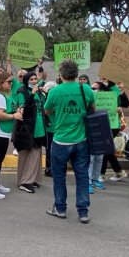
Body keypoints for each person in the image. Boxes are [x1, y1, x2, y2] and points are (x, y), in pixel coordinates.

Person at [44, 60, 94, 224]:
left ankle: (60, 208)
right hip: (81, 140)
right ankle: (83, 211)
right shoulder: (85, 88)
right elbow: (92, 109)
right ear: (76, 74)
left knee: (59, 176)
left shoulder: (55, 91)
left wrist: (56, 117)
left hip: (60, 140)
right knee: (82, 176)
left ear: (60, 74)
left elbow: (47, 110)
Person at [0, 72, 23, 200]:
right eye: (8, 82)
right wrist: (14, 116)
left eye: (11, 81)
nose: (11, 84)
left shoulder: (7, 96)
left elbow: (8, 111)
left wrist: (16, 112)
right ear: (1, 83)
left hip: (3, 132)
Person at [14, 71, 47, 193]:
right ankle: (25, 181)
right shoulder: (21, 91)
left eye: (35, 79)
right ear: (26, 80)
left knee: (36, 152)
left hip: (39, 126)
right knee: (26, 153)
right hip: (27, 127)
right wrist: (32, 94)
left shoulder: (39, 91)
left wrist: (45, 92)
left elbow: (45, 106)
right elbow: (24, 108)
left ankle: (33, 179)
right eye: (31, 79)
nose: (33, 81)